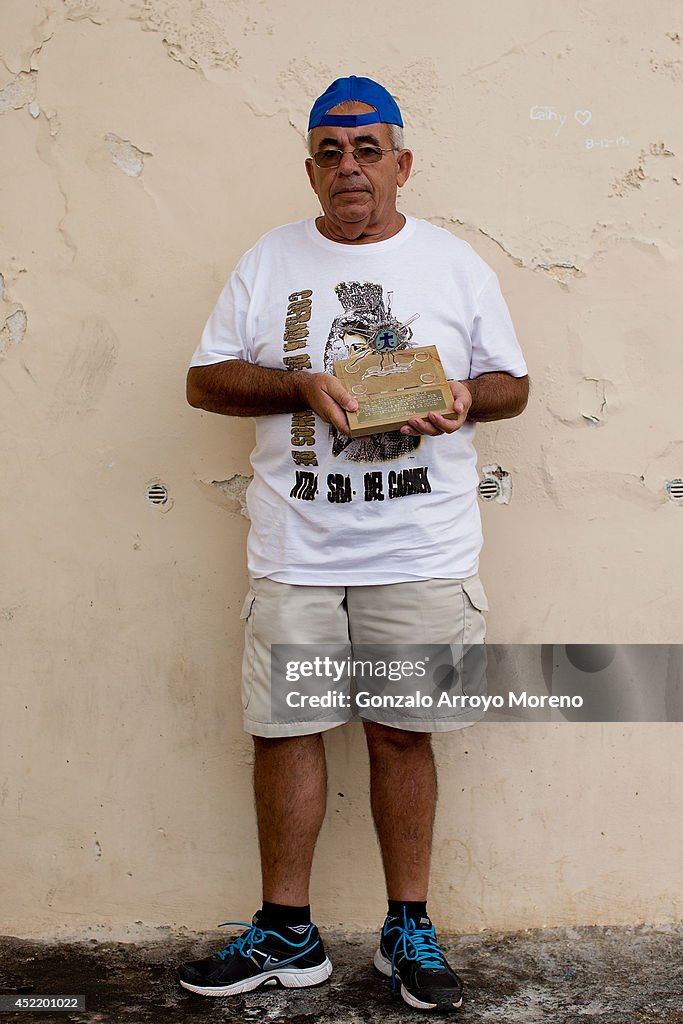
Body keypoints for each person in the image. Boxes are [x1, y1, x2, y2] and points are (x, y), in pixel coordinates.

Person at [177, 75, 529, 1013]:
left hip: (419, 545)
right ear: (309, 169)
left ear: (402, 165)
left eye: (368, 149)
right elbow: (204, 381)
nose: (350, 168)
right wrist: (299, 386)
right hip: (298, 546)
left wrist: (462, 397)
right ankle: (286, 931)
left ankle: (406, 926)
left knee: (401, 734)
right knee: (287, 731)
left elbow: (510, 385)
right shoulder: (267, 260)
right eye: (331, 153)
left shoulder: (454, 264)